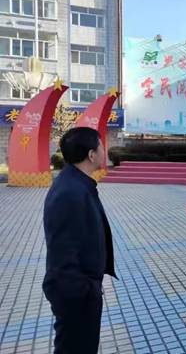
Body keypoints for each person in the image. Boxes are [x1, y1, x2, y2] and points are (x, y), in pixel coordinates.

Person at [43, 127, 116, 354]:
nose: (104, 151)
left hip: (81, 288)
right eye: (101, 146)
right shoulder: (70, 191)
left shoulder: (76, 183)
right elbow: (63, 252)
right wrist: (85, 290)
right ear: (91, 155)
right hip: (75, 294)